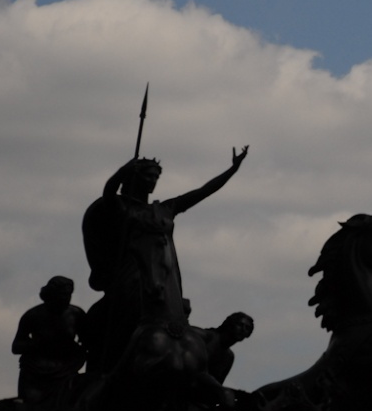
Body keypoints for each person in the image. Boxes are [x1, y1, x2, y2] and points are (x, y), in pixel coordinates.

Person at [82, 146, 248, 374]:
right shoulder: (120, 207)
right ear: (133, 177)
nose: (152, 181)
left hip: (163, 271)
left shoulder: (165, 208)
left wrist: (232, 169)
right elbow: (108, 193)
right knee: (128, 307)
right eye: (147, 175)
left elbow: (203, 191)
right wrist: (123, 170)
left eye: (156, 177)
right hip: (131, 270)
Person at [11, 276, 88, 411]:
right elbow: (16, 346)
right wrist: (40, 344)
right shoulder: (33, 315)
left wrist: (76, 353)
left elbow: (88, 343)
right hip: (35, 373)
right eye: (62, 294)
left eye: (68, 294)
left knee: (65, 409)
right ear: (52, 295)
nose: (66, 298)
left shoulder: (76, 315)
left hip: (65, 370)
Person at [197, 311, 255, 384]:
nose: (243, 329)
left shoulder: (229, 357)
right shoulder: (205, 337)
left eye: (247, 328)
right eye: (240, 325)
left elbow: (218, 384)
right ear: (230, 325)